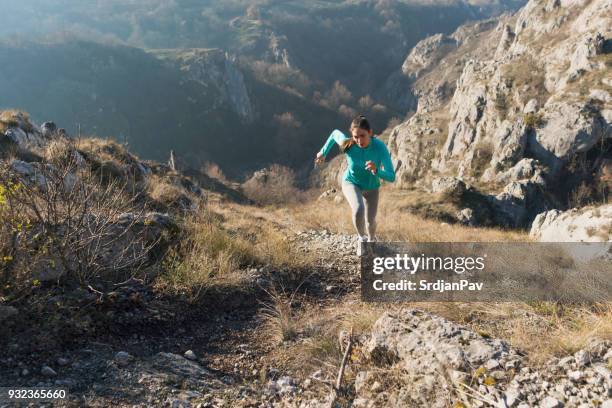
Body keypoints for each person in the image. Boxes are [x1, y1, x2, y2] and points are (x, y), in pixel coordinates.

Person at [315, 114, 396, 255]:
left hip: (372, 187)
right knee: (358, 210)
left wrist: (377, 171)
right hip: (351, 183)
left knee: (370, 222)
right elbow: (335, 134)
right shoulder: (349, 145)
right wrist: (323, 152)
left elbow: (392, 176)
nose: (359, 140)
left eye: (362, 136)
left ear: (370, 132)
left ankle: (371, 239)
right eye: (355, 137)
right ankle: (362, 239)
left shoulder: (380, 147)